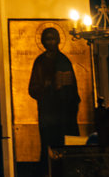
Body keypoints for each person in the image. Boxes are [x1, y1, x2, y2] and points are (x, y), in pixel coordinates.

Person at [27, 26, 81, 154]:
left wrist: (64, 89)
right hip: (47, 111)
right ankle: (47, 171)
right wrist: (46, 86)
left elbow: (73, 87)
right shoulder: (40, 61)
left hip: (64, 110)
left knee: (64, 141)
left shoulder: (64, 60)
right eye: (47, 39)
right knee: (49, 143)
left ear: (58, 40)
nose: (50, 42)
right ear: (43, 41)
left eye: (53, 39)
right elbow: (33, 88)